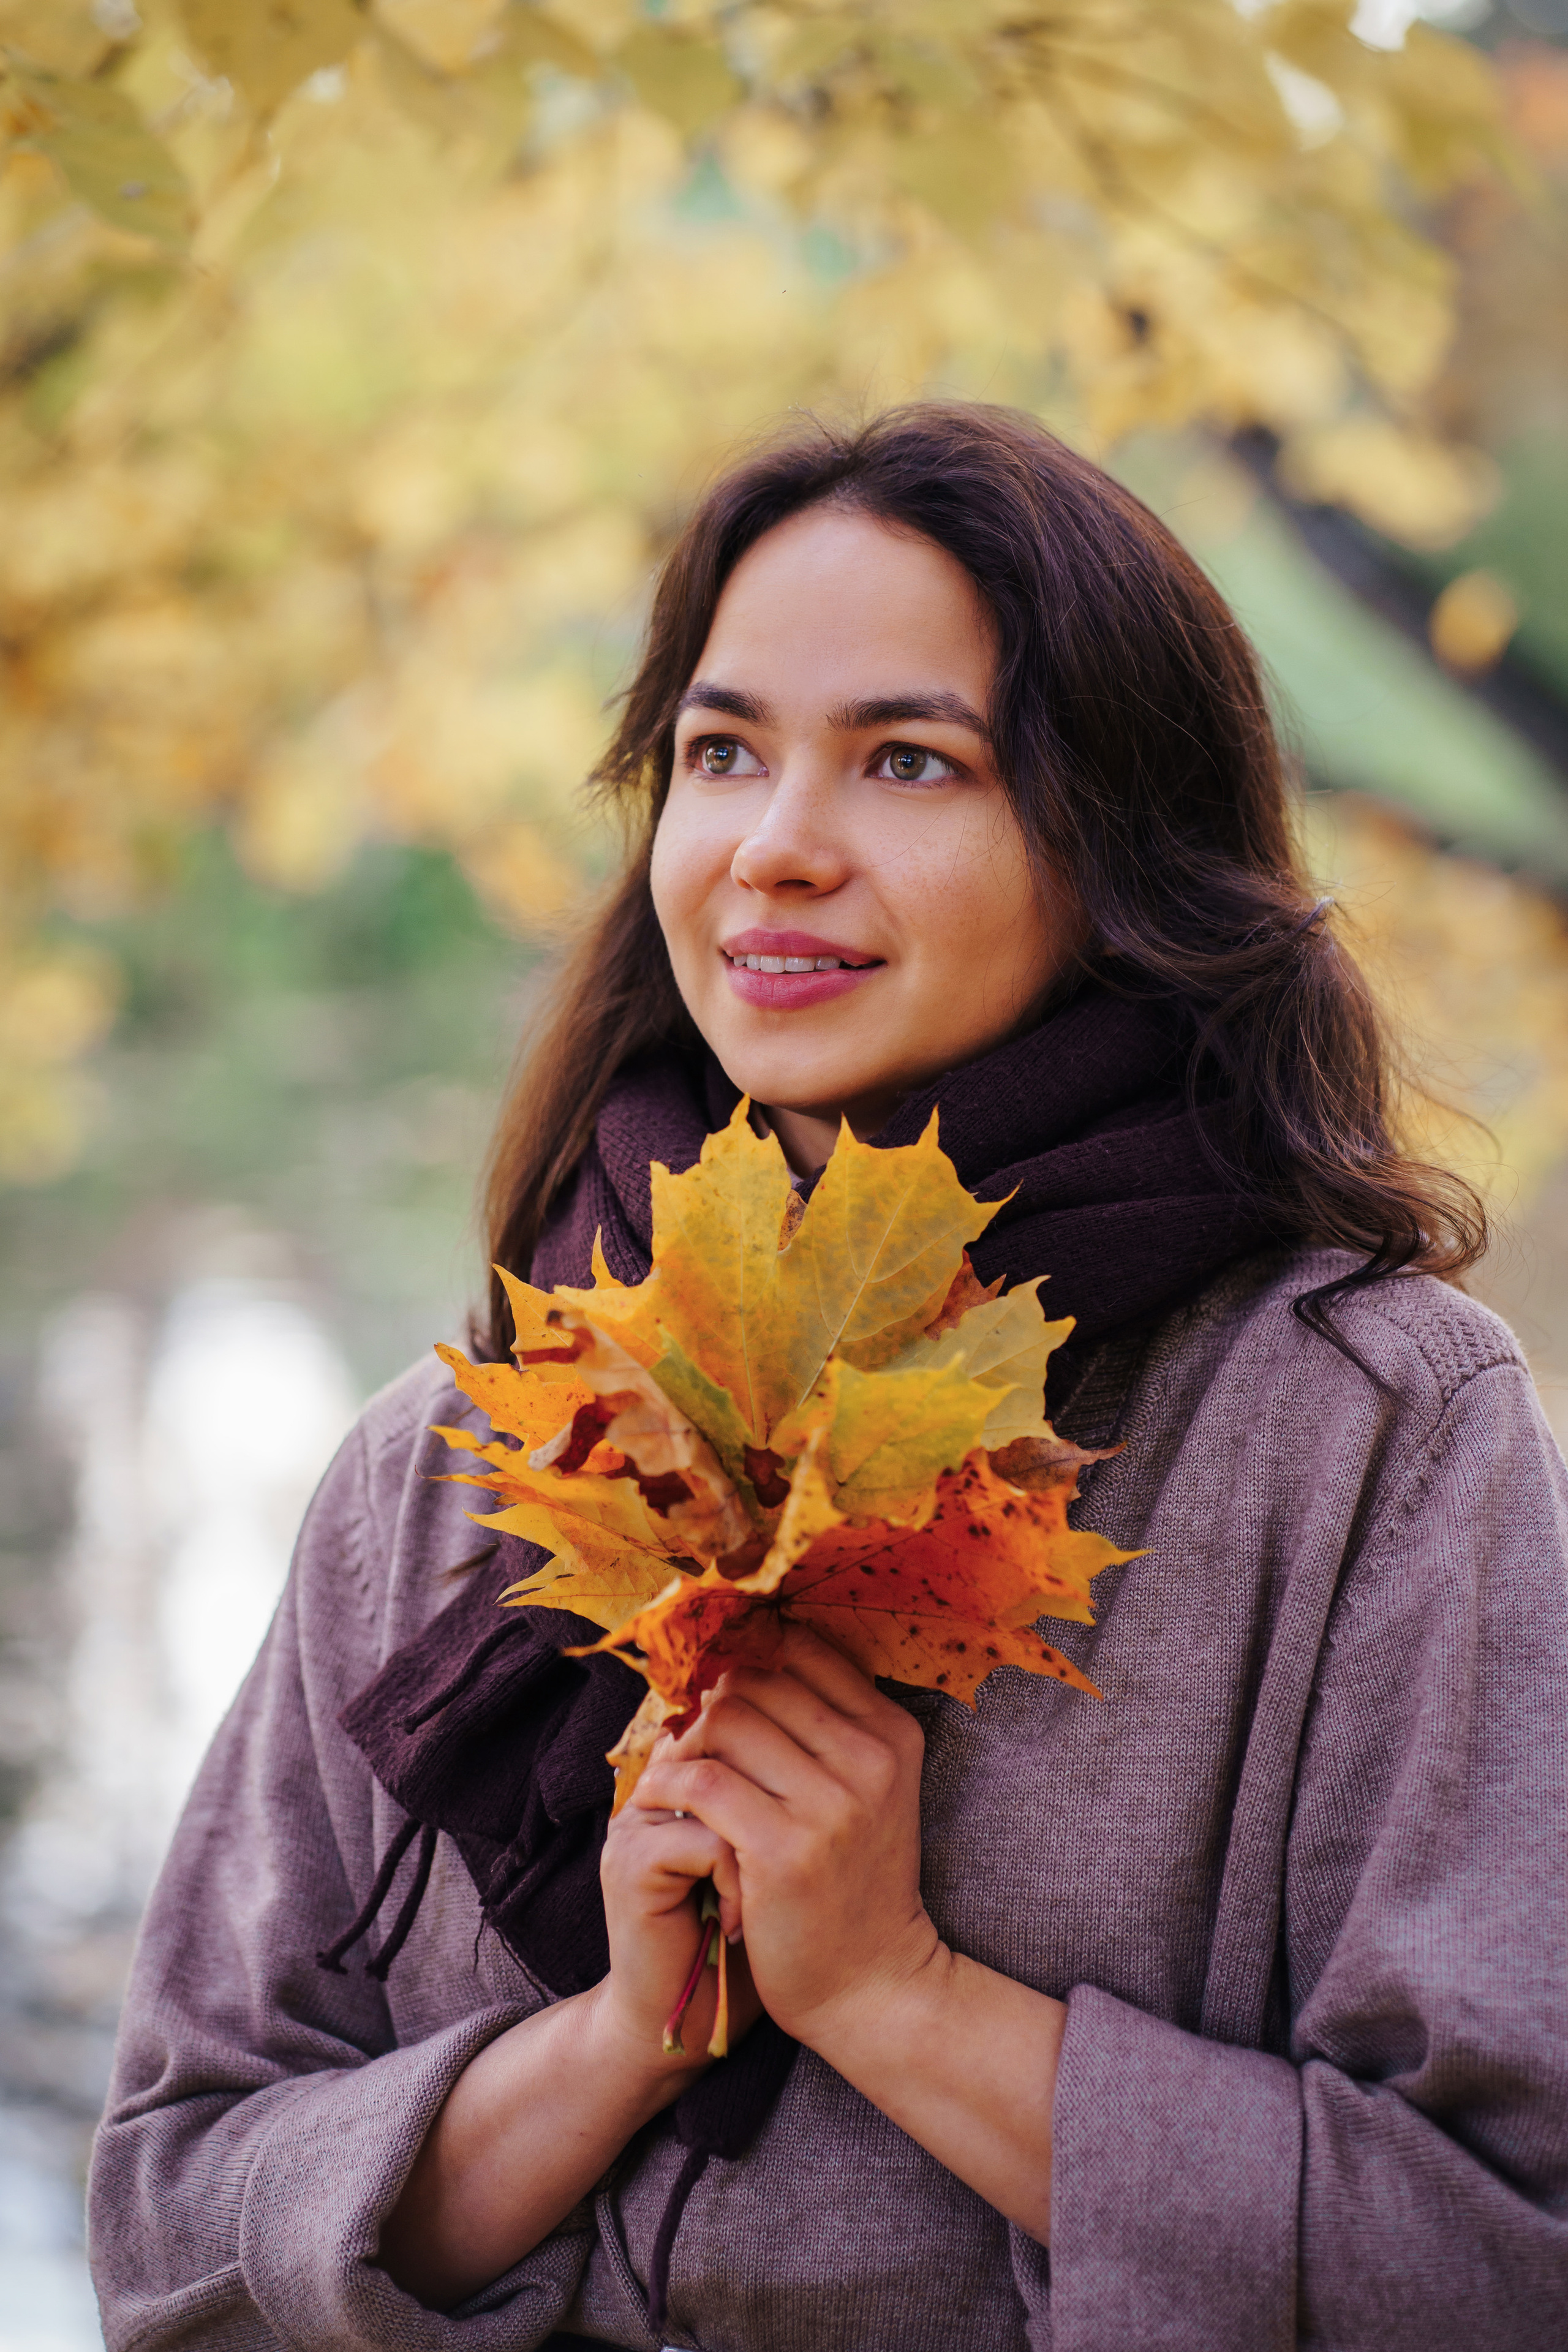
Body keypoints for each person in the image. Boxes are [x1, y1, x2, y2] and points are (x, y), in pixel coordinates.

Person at [88, 405, 1568, 2352]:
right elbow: (172, 2224)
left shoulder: (1369, 1429)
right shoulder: (458, 1454)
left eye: (908, 759)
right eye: (721, 753)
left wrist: (897, 1994)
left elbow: (1495, 2259)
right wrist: (613, 2044)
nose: (777, 848)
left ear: (1121, 839)